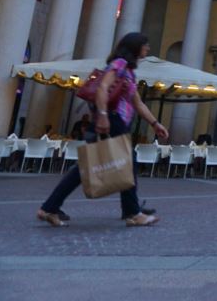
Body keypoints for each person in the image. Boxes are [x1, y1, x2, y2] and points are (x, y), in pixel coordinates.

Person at [37, 32, 168, 227]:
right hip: (112, 120)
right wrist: (104, 115)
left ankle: (49, 207)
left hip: (114, 120)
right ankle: (132, 212)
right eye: (145, 45)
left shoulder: (129, 71)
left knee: (86, 167)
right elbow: (102, 88)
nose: (148, 49)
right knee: (127, 162)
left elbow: (138, 103)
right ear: (135, 47)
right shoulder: (120, 64)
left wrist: (155, 124)